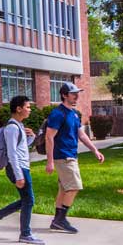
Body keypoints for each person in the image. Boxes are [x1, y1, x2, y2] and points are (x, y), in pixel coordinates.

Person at [45, 82, 104, 234]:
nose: (77, 96)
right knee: (74, 187)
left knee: (64, 189)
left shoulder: (74, 114)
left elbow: (81, 134)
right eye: (73, 93)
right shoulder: (58, 114)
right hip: (63, 157)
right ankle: (60, 220)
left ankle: (56, 221)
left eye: (77, 93)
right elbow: (49, 137)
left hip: (71, 155)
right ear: (64, 95)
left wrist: (95, 150)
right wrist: (50, 161)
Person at [0, 95, 43, 244]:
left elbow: (20, 149)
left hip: (21, 167)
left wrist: (31, 138)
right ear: (18, 109)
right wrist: (19, 175)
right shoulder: (12, 128)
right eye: (27, 107)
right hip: (17, 168)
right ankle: (25, 234)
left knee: (26, 200)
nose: (30, 110)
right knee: (29, 200)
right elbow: (12, 153)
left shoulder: (18, 126)